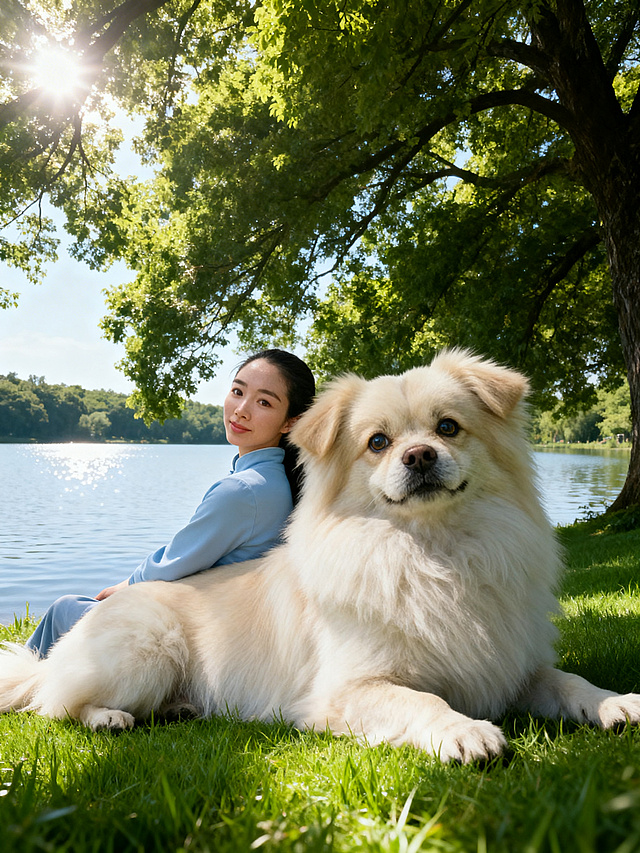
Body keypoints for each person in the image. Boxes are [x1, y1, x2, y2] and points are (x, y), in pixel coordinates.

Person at [25, 349, 316, 658]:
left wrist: (122, 587)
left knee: (64, 608)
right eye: (237, 391)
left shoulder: (244, 491)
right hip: (231, 632)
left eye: (264, 402)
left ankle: (24, 681)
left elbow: (172, 565)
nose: (241, 410)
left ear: (290, 422)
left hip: (190, 638)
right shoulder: (280, 483)